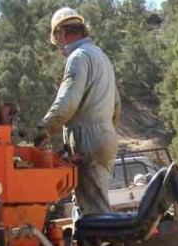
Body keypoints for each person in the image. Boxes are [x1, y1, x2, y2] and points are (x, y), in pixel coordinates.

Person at [34, 7, 121, 216]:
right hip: (106, 137)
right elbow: (117, 105)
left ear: (62, 33)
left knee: (95, 214)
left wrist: (43, 129)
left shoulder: (78, 57)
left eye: (57, 42)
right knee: (91, 207)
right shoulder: (101, 56)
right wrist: (104, 132)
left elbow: (67, 101)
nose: (60, 50)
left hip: (88, 142)